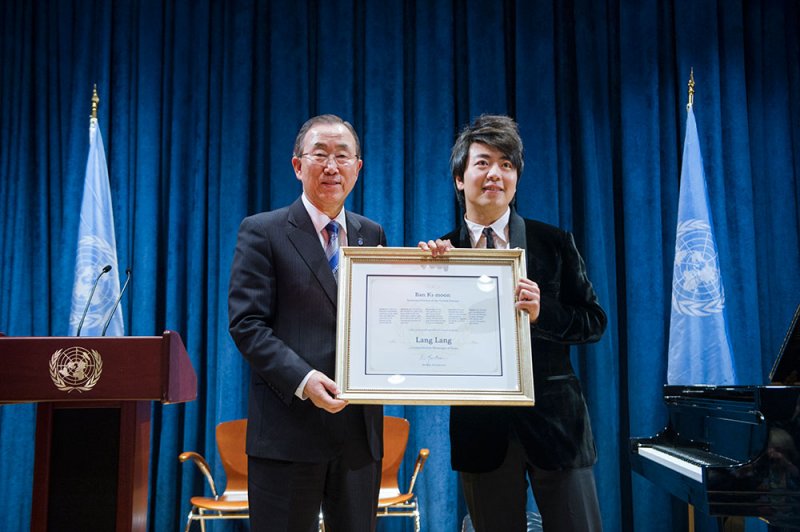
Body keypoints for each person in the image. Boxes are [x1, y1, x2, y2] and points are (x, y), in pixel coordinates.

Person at [420, 114, 607, 532]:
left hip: (558, 430)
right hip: (481, 434)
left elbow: (594, 322)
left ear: (517, 179)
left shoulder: (554, 243)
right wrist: (424, 281)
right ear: (459, 178)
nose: (495, 174)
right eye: (483, 162)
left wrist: (544, 313)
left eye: (507, 164)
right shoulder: (438, 254)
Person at [228, 114, 385, 532]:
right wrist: (304, 379)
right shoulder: (263, 232)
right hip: (288, 434)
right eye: (320, 155)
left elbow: (385, 321)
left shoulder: (372, 235)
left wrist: (431, 271)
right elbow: (247, 325)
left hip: (358, 437)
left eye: (342, 156)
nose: (332, 166)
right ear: (298, 165)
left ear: (357, 168)